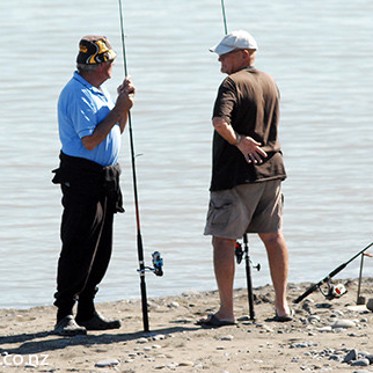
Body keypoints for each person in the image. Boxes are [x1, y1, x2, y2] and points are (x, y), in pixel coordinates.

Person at [199, 30, 291, 327]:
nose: (220, 60)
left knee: (223, 241)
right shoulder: (269, 80)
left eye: (224, 55)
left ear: (244, 54)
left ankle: (226, 312)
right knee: (273, 236)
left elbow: (218, 122)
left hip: (237, 175)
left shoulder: (231, 83)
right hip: (272, 169)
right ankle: (282, 306)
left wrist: (238, 141)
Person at [52, 35, 134, 336]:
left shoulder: (96, 91)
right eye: (108, 60)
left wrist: (122, 106)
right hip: (82, 176)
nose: (112, 64)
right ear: (97, 65)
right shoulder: (78, 93)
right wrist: (117, 109)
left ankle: (87, 308)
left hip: (106, 176)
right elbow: (89, 141)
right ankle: (65, 314)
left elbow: (116, 131)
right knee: (78, 244)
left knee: (101, 248)